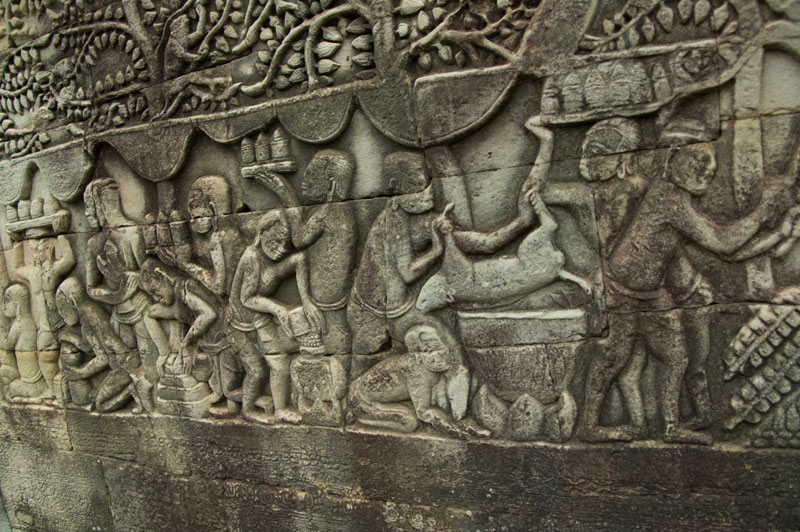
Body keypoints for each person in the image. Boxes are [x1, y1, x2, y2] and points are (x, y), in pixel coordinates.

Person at [580, 143, 793, 444]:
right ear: (674, 160)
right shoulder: (667, 198)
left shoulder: (675, 198)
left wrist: (777, 230)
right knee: (613, 359)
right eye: (699, 162)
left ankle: (671, 427)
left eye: (711, 168)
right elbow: (722, 242)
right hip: (622, 291)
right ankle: (589, 426)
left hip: (652, 293)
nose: (707, 172)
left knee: (676, 356)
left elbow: (729, 251)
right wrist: (762, 213)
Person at [255, 150, 358, 354]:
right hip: (324, 302)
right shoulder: (333, 210)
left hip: (327, 307)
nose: (304, 180)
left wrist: (285, 193)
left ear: (331, 184)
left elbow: (299, 239)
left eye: (311, 175)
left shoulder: (331, 212)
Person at [228, 210, 322, 424]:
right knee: (258, 370)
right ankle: (248, 410)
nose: (281, 249)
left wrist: (306, 300)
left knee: (281, 360)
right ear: (262, 233)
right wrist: (278, 309)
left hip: (261, 319)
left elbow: (299, 259)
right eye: (276, 242)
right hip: (240, 324)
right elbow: (246, 298)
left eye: (284, 244)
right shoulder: (252, 257)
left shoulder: (270, 260)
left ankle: (280, 407)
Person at [84, 178, 157, 412]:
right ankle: (134, 391)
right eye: (105, 201)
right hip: (118, 315)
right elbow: (91, 288)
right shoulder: (95, 243)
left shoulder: (132, 233)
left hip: (142, 309)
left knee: (151, 364)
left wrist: (136, 278)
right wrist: (115, 296)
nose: (108, 207)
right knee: (122, 368)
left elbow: (151, 279)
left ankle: (146, 393)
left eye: (111, 200)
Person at [349, 323, 490, 438]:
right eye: (431, 350)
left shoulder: (430, 367)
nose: (441, 355)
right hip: (362, 402)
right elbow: (423, 412)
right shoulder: (416, 371)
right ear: (419, 352)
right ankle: (362, 419)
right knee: (410, 422)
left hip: (363, 388)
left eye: (442, 349)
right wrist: (453, 428)